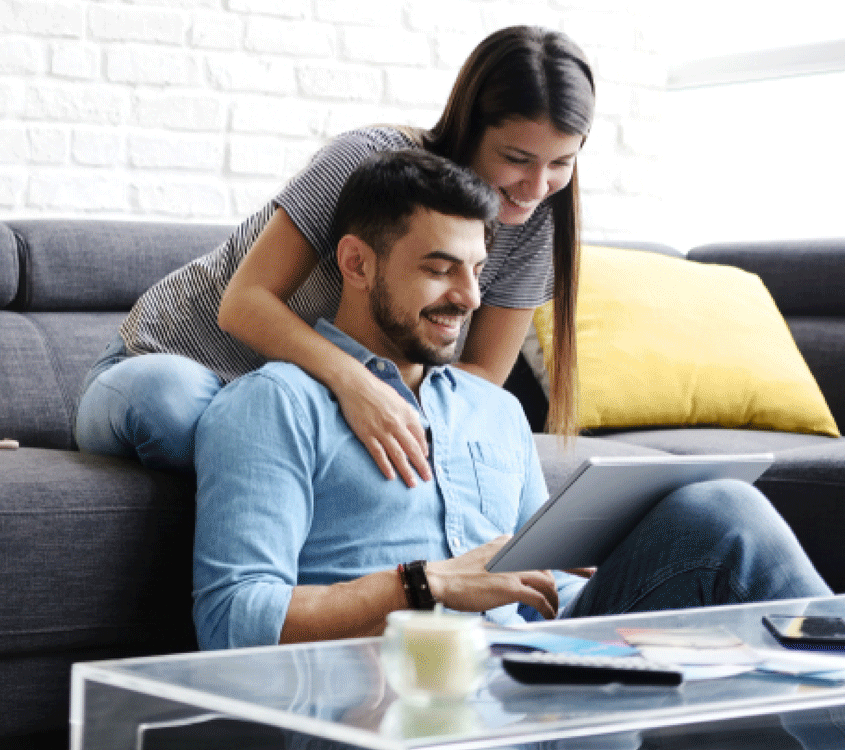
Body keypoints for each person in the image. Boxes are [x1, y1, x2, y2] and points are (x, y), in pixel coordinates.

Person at [186, 148, 845, 749]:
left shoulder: (492, 410)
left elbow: (539, 594)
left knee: (723, 508)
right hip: (394, 713)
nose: (470, 298)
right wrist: (425, 586)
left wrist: (621, 581)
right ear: (356, 264)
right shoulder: (273, 404)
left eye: (478, 270)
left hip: (544, 695)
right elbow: (232, 620)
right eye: (439, 268)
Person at [75, 25, 591, 477]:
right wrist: (358, 388)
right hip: (177, 366)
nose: (536, 186)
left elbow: (480, 379)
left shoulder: (535, 226)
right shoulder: (366, 162)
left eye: (560, 164)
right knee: (176, 410)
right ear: (470, 126)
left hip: (300, 407)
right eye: (517, 158)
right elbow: (244, 304)